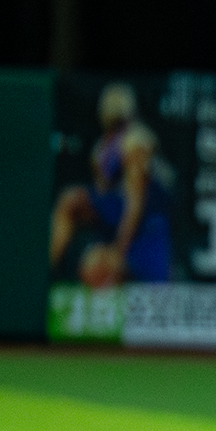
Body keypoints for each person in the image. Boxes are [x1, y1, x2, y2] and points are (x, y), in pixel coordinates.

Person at [49, 82, 174, 287]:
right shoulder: (103, 149)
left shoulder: (136, 142)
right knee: (91, 265)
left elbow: (135, 205)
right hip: (121, 225)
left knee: (110, 275)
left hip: (147, 231)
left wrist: (117, 251)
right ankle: (47, 272)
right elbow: (103, 197)